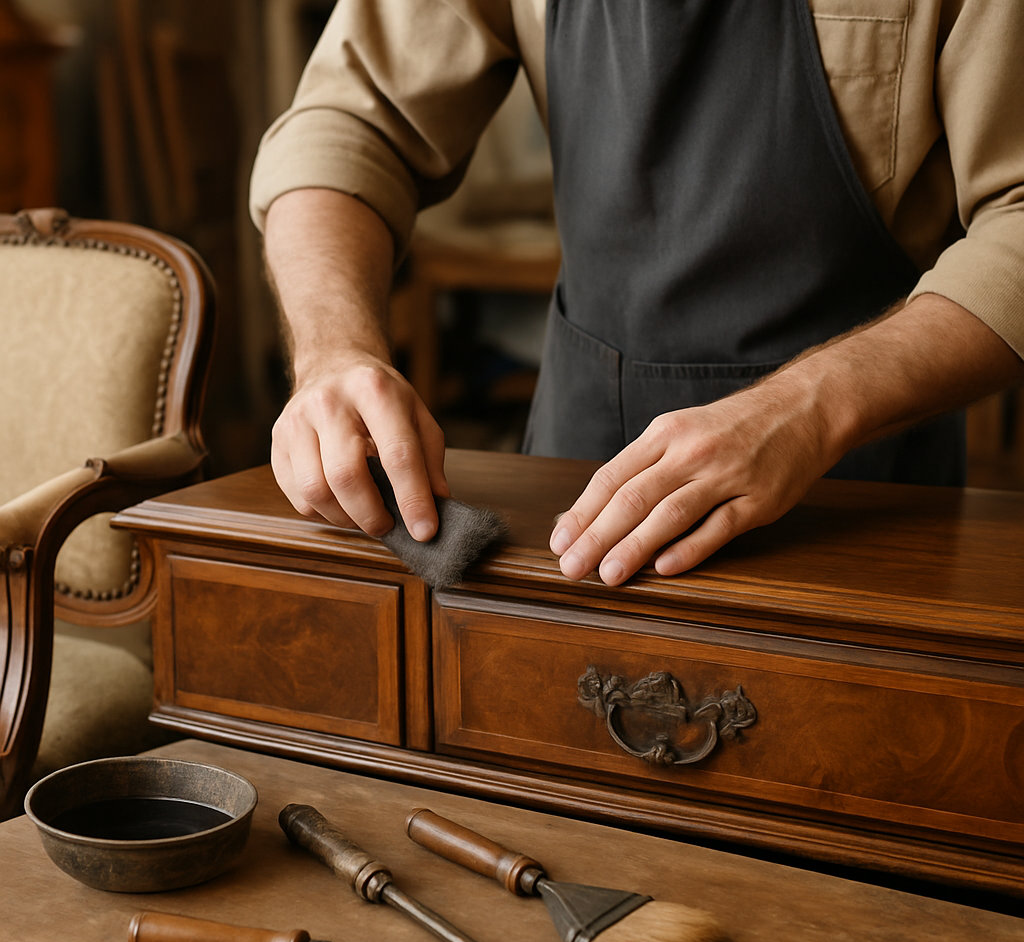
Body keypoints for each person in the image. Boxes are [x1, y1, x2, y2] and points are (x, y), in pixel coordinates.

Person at [250, 0, 1024, 586]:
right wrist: (332, 351)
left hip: (857, 507)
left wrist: (812, 404)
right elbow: (350, 123)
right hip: (575, 495)